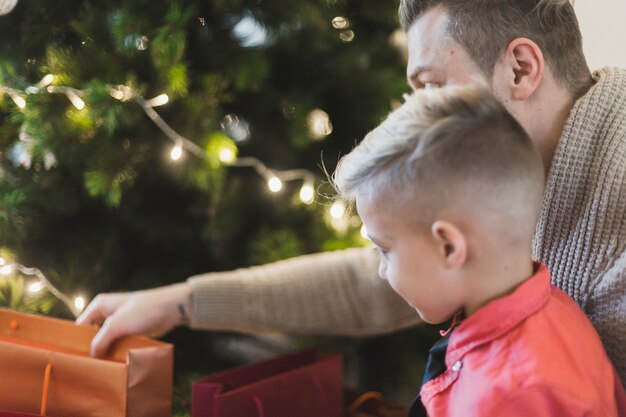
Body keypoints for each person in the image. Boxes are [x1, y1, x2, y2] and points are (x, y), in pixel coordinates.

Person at [78, 0, 626, 382]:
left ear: (521, 68)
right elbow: (377, 283)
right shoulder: (506, 171)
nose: (417, 114)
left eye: (432, 88)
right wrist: (182, 302)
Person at [332, 84, 626, 416]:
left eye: (383, 250)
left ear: (449, 247)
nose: (382, 271)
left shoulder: (511, 398)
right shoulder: (553, 305)